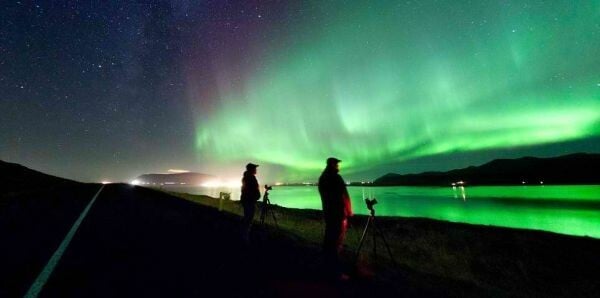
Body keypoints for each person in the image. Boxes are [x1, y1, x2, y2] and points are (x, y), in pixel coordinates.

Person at [318, 157, 353, 280]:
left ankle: (326, 266)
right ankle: (335, 273)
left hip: (328, 213)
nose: (338, 166)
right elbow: (344, 194)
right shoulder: (336, 178)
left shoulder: (322, 178)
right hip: (338, 214)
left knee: (329, 240)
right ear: (333, 165)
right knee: (336, 242)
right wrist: (349, 211)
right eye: (337, 164)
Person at [240, 162, 261, 243]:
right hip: (249, 201)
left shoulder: (245, 177)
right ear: (251, 169)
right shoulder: (251, 178)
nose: (256, 170)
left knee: (247, 217)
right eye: (255, 168)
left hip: (246, 200)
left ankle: (244, 234)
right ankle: (245, 237)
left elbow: (245, 190)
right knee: (248, 218)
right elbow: (252, 190)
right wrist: (256, 196)